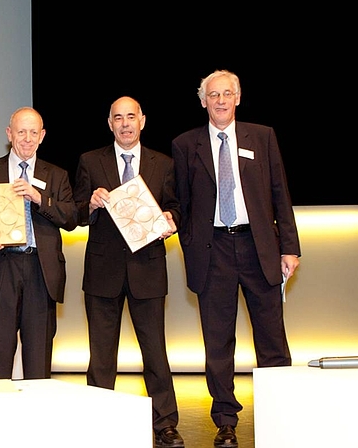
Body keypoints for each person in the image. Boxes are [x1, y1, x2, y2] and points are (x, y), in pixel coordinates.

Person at [171, 69, 301, 448]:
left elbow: (281, 193)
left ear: (238, 98)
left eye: (228, 93)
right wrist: (188, 240)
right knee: (218, 342)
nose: (221, 100)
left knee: (272, 338)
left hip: (259, 248)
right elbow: (181, 203)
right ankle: (226, 420)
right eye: (214, 95)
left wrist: (289, 246)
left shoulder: (262, 137)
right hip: (213, 253)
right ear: (202, 101)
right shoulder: (184, 144)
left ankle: (282, 412)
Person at [73, 96, 184, 448]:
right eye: (118, 117)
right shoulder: (90, 161)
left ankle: (165, 424)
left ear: (143, 121)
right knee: (101, 355)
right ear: (109, 123)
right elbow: (75, 212)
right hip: (103, 271)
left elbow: (176, 207)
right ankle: (100, 421)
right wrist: (89, 204)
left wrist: (172, 221)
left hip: (147, 270)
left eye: (131, 117)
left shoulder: (163, 164)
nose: (125, 123)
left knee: (155, 353)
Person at [0, 106, 77, 379]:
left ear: (43, 135)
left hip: (41, 269)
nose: (27, 138)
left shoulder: (57, 175)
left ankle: (36, 418)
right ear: (9, 134)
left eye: (33, 132)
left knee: (39, 356)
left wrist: (39, 198)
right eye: (21, 131)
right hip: (1, 266)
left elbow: (71, 217)